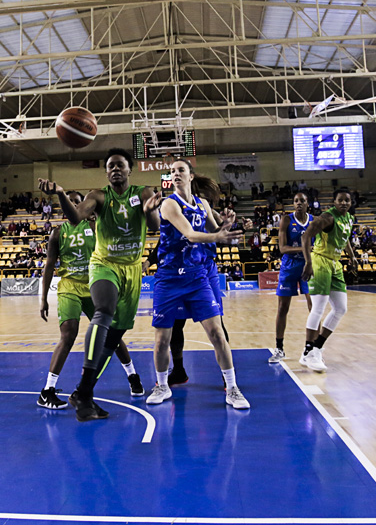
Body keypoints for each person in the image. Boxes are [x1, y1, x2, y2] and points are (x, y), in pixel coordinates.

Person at [38, 148, 163, 422]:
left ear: (129, 169)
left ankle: (83, 391)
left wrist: (150, 210)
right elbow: (75, 217)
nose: (115, 169)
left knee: (114, 337)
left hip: (132, 270)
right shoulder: (98, 196)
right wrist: (60, 193)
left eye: (120, 165)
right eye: (110, 166)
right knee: (103, 311)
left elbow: (155, 227)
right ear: (106, 173)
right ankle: (83, 394)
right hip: (104, 264)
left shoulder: (143, 193)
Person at [145, 159, 249, 409]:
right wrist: (218, 235)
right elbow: (190, 234)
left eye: (180, 170)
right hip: (169, 278)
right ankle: (162, 386)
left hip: (197, 275)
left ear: (191, 176)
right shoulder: (169, 204)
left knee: (217, 332)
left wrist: (227, 224)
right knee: (162, 339)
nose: (175, 174)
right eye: (172, 171)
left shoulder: (203, 204)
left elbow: (216, 231)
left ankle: (232, 388)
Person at [37, 191, 144, 409]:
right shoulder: (58, 233)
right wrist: (43, 298)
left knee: (111, 333)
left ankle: (133, 376)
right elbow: (48, 266)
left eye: (78, 202)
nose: (75, 206)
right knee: (68, 335)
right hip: (69, 286)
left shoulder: (96, 228)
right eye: (71, 203)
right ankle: (47, 390)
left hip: (95, 284)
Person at [299, 189, 356, 373]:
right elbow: (305, 236)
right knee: (318, 307)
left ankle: (317, 347)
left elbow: (345, 238)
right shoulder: (327, 218)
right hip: (320, 261)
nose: (344, 203)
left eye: (347, 200)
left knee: (341, 308)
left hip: (335, 263)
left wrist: (352, 256)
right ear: (334, 201)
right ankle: (308, 352)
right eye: (340, 200)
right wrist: (308, 262)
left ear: (351, 202)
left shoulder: (349, 218)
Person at [270, 191, 313, 363]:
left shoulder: (314, 221)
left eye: (302, 200)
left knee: (314, 307)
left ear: (308, 203)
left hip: (308, 265)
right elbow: (282, 248)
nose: (299, 203)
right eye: (296, 201)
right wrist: (305, 249)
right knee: (282, 308)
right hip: (289, 266)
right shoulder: (286, 220)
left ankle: (311, 349)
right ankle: (279, 348)